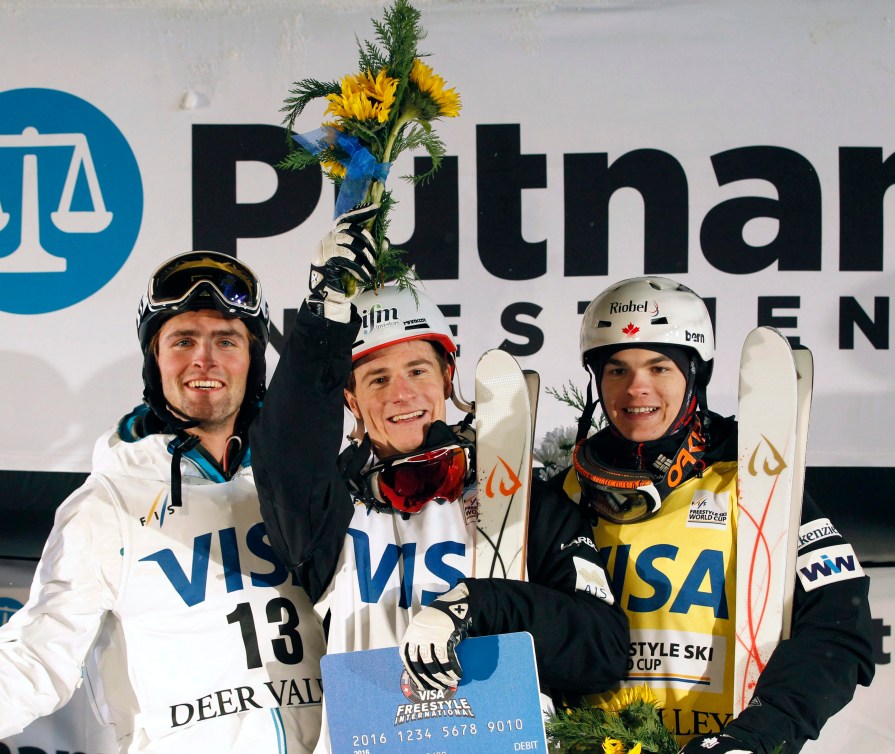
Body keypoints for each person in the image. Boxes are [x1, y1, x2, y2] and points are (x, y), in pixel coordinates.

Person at [250, 207, 629, 748]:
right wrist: (323, 316)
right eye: (377, 379)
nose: (401, 395)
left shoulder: (525, 501)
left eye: (417, 371)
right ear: (351, 402)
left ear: (449, 376)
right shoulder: (328, 510)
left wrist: (477, 604)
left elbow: (603, 650)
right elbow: (285, 450)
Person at [0, 251, 325, 753]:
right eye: (183, 340)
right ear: (155, 360)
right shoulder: (106, 504)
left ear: (254, 359)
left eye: (226, 340)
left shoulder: (310, 479)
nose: (205, 359)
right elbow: (38, 657)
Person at [548, 276, 875, 753]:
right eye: (617, 370)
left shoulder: (755, 474)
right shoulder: (569, 490)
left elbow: (842, 625)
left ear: (694, 374)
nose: (637, 389)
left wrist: (761, 735)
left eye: (659, 367)